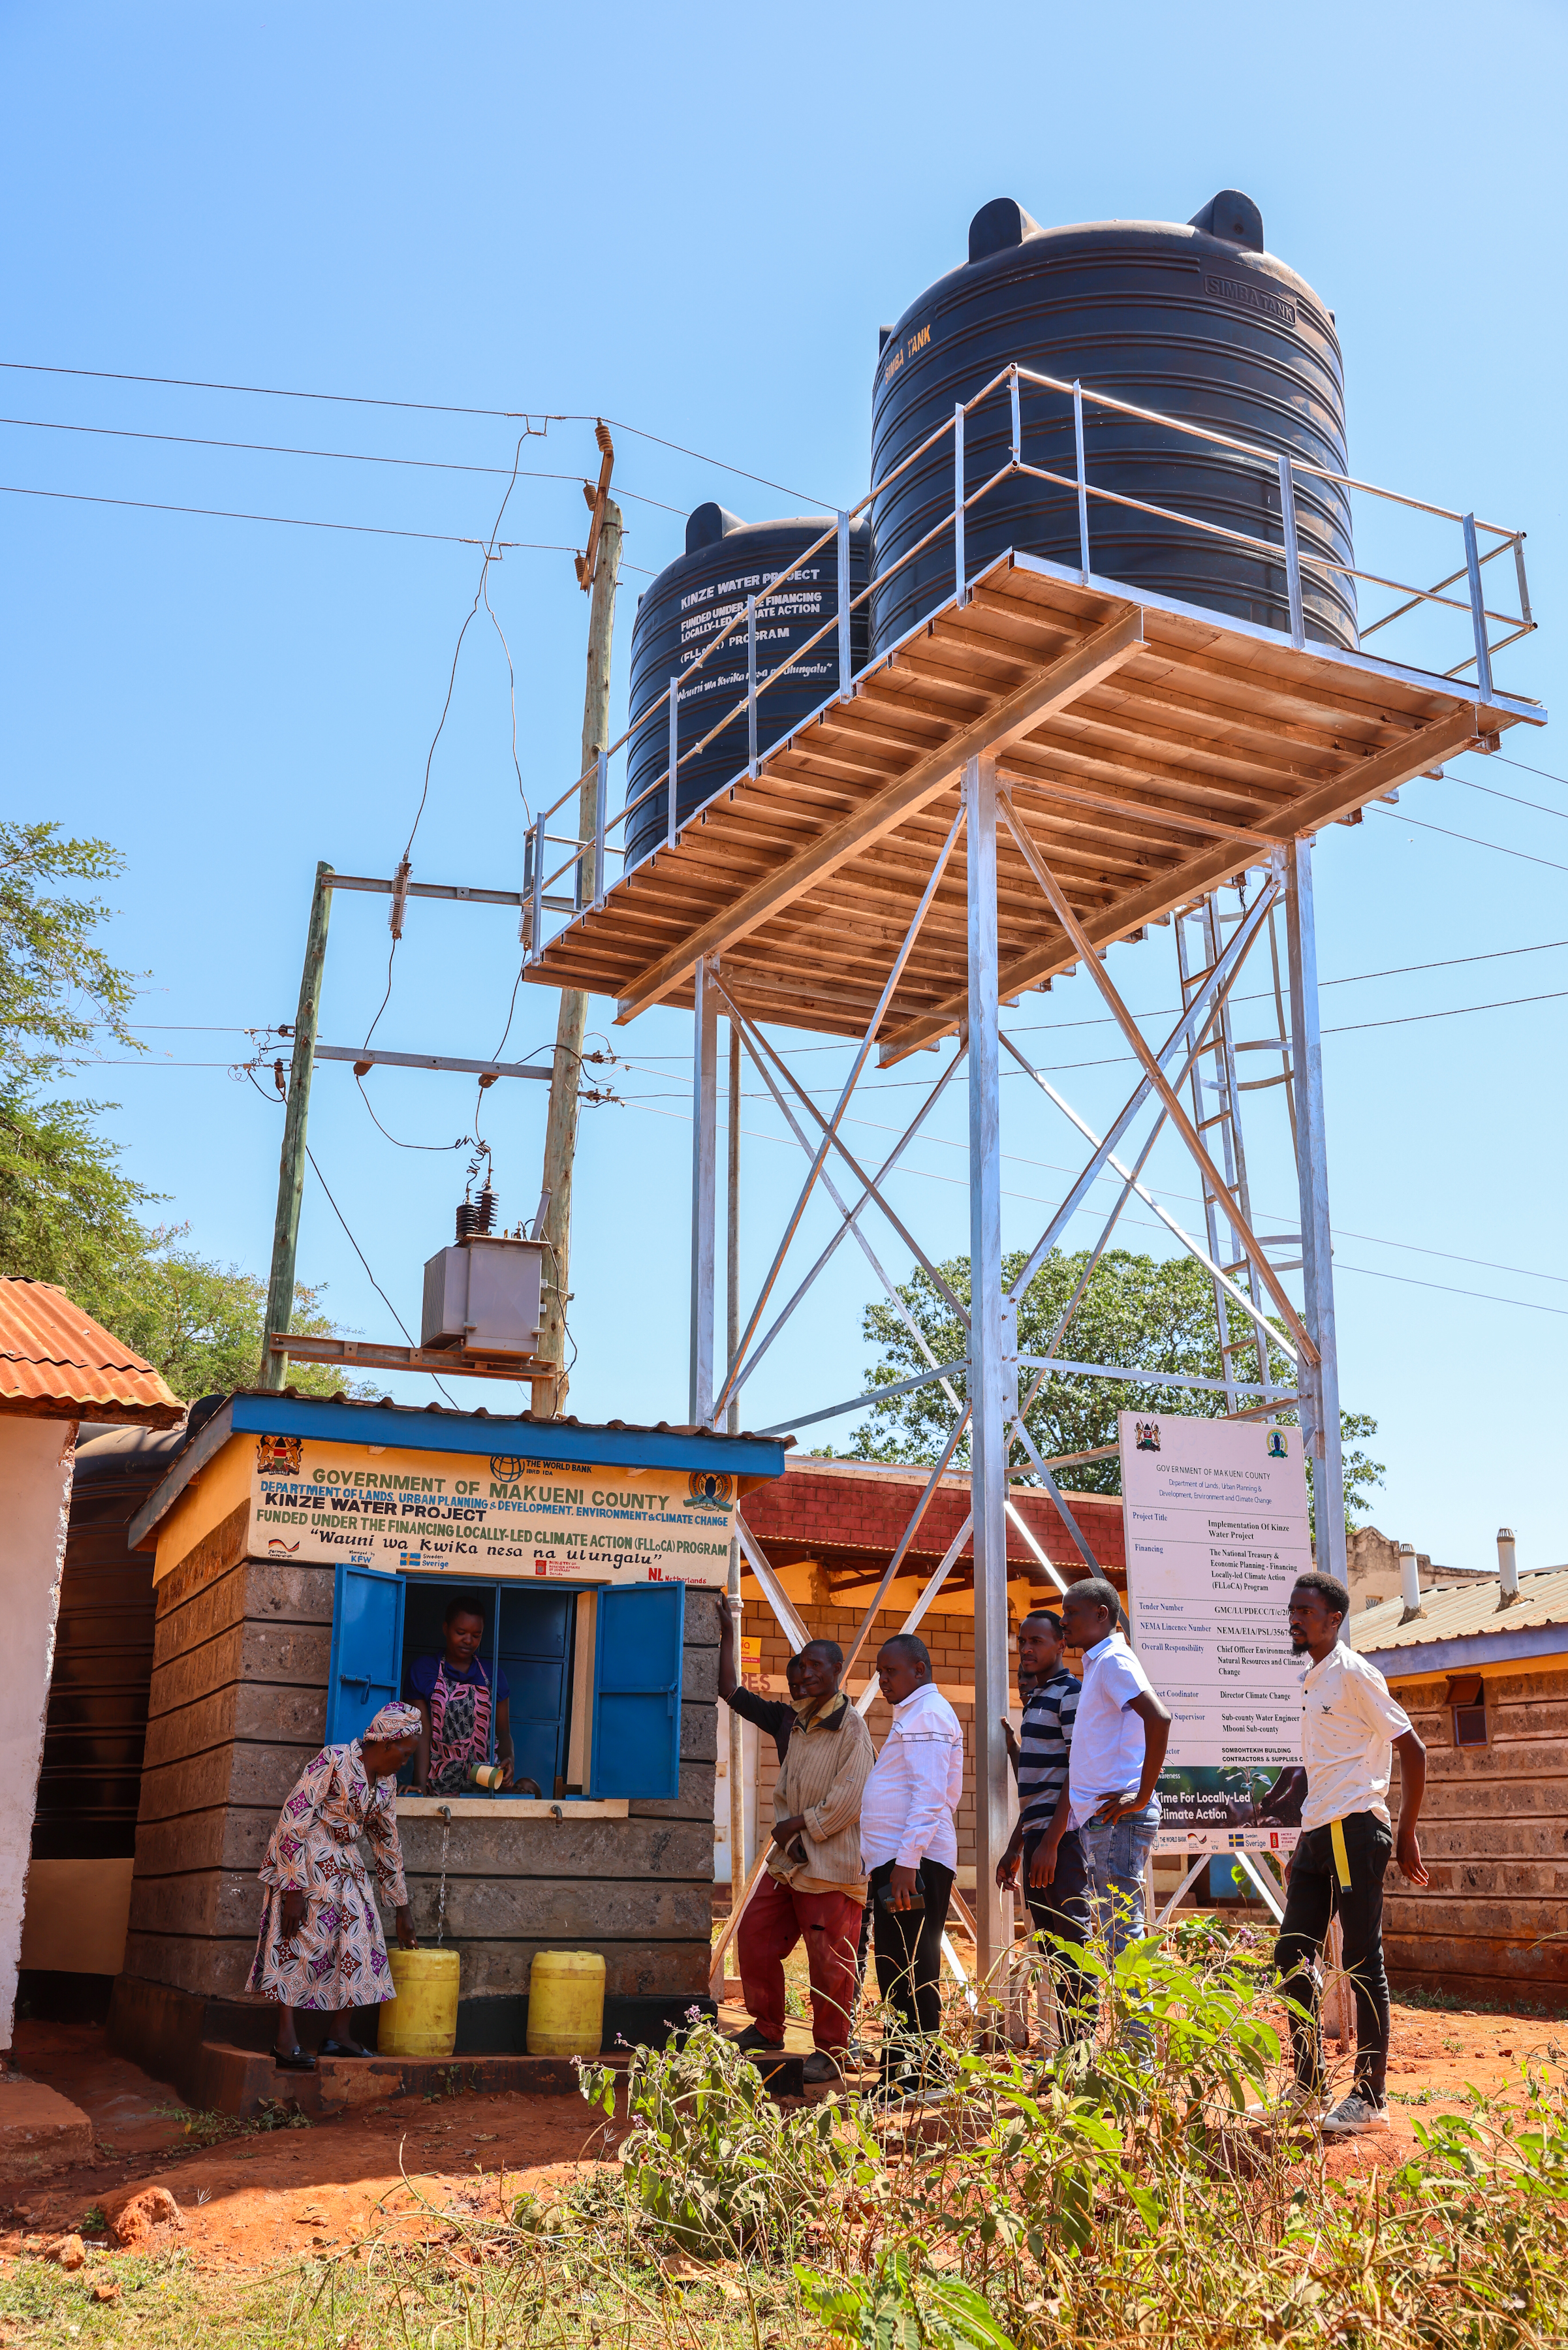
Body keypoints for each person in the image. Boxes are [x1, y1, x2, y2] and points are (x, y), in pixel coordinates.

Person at [1275, 1569, 1428, 2135]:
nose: (1294, 1618)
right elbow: (1326, 1772)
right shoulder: (1314, 1678)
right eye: (1292, 1609)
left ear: (1333, 1619)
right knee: (1291, 1954)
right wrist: (1303, 1841)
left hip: (1357, 1829)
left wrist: (1406, 1830)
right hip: (1320, 1833)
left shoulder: (1354, 1674)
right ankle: (1310, 2086)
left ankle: (1371, 2096)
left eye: (1305, 1611)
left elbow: (1412, 1749)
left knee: (1363, 1961)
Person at [719, 1612, 874, 2084]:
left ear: (836, 1672)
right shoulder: (799, 1722)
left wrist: (802, 1825)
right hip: (790, 1858)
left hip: (831, 1862)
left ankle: (831, 2050)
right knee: (755, 1934)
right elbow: (785, 1789)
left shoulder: (852, 1729)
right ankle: (768, 2028)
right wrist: (788, 1832)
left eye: (814, 1668)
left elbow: (849, 1799)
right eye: (799, 1668)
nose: (804, 1675)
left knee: (831, 1960)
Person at [247, 1700, 422, 2070]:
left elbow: (387, 1841)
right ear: (388, 1744)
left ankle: (339, 2036)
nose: (406, 1763)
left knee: (362, 1943)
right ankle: (285, 2039)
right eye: (405, 1754)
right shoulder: (334, 1760)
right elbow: (294, 1816)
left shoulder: (386, 1784)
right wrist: (293, 1888)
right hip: (308, 1862)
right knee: (299, 1943)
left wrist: (402, 1909)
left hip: (347, 1865)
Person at [1054, 1577, 1170, 2038]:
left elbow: (1159, 1718)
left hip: (1117, 1820)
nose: (1064, 1622)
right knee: (1118, 1938)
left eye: (1073, 1614)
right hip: (1102, 1821)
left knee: (1124, 1942)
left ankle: (1137, 2065)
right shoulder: (1100, 1663)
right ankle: (1132, 2058)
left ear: (1103, 1614)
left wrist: (1141, 1796)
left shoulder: (1115, 1659)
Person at [860, 1633, 965, 2099]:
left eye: (892, 1671)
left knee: (910, 1967)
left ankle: (921, 2076)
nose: (883, 1680)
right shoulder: (917, 1714)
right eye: (880, 1672)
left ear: (919, 1671)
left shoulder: (927, 1715)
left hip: (911, 1865)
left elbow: (929, 1796)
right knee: (897, 1965)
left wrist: (906, 1863)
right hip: (901, 1862)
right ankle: (905, 2074)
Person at [996, 1609, 1091, 2044]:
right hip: (1039, 1838)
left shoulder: (1071, 1693)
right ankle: (1070, 2055)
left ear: (1062, 1645)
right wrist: (1018, 1847)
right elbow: (1036, 1791)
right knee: (1053, 1950)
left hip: (1064, 1840)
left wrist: (1051, 1842)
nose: (1028, 1649)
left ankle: (1085, 2054)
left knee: (1074, 1947)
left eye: (1037, 1640)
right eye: (1022, 1641)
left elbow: (1078, 1768)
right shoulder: (1037, 1699)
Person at [408, 1598, 520, 1795]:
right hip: (437, 1781)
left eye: (476, 1635)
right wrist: (419, 1784)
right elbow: (421, 1732)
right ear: (445, 1628)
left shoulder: (493, 1675)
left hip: (484, 1781)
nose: (468, 1641)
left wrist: (509, 1759)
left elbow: (502, 1732)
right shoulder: (424, 1671)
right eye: (461, 1633)